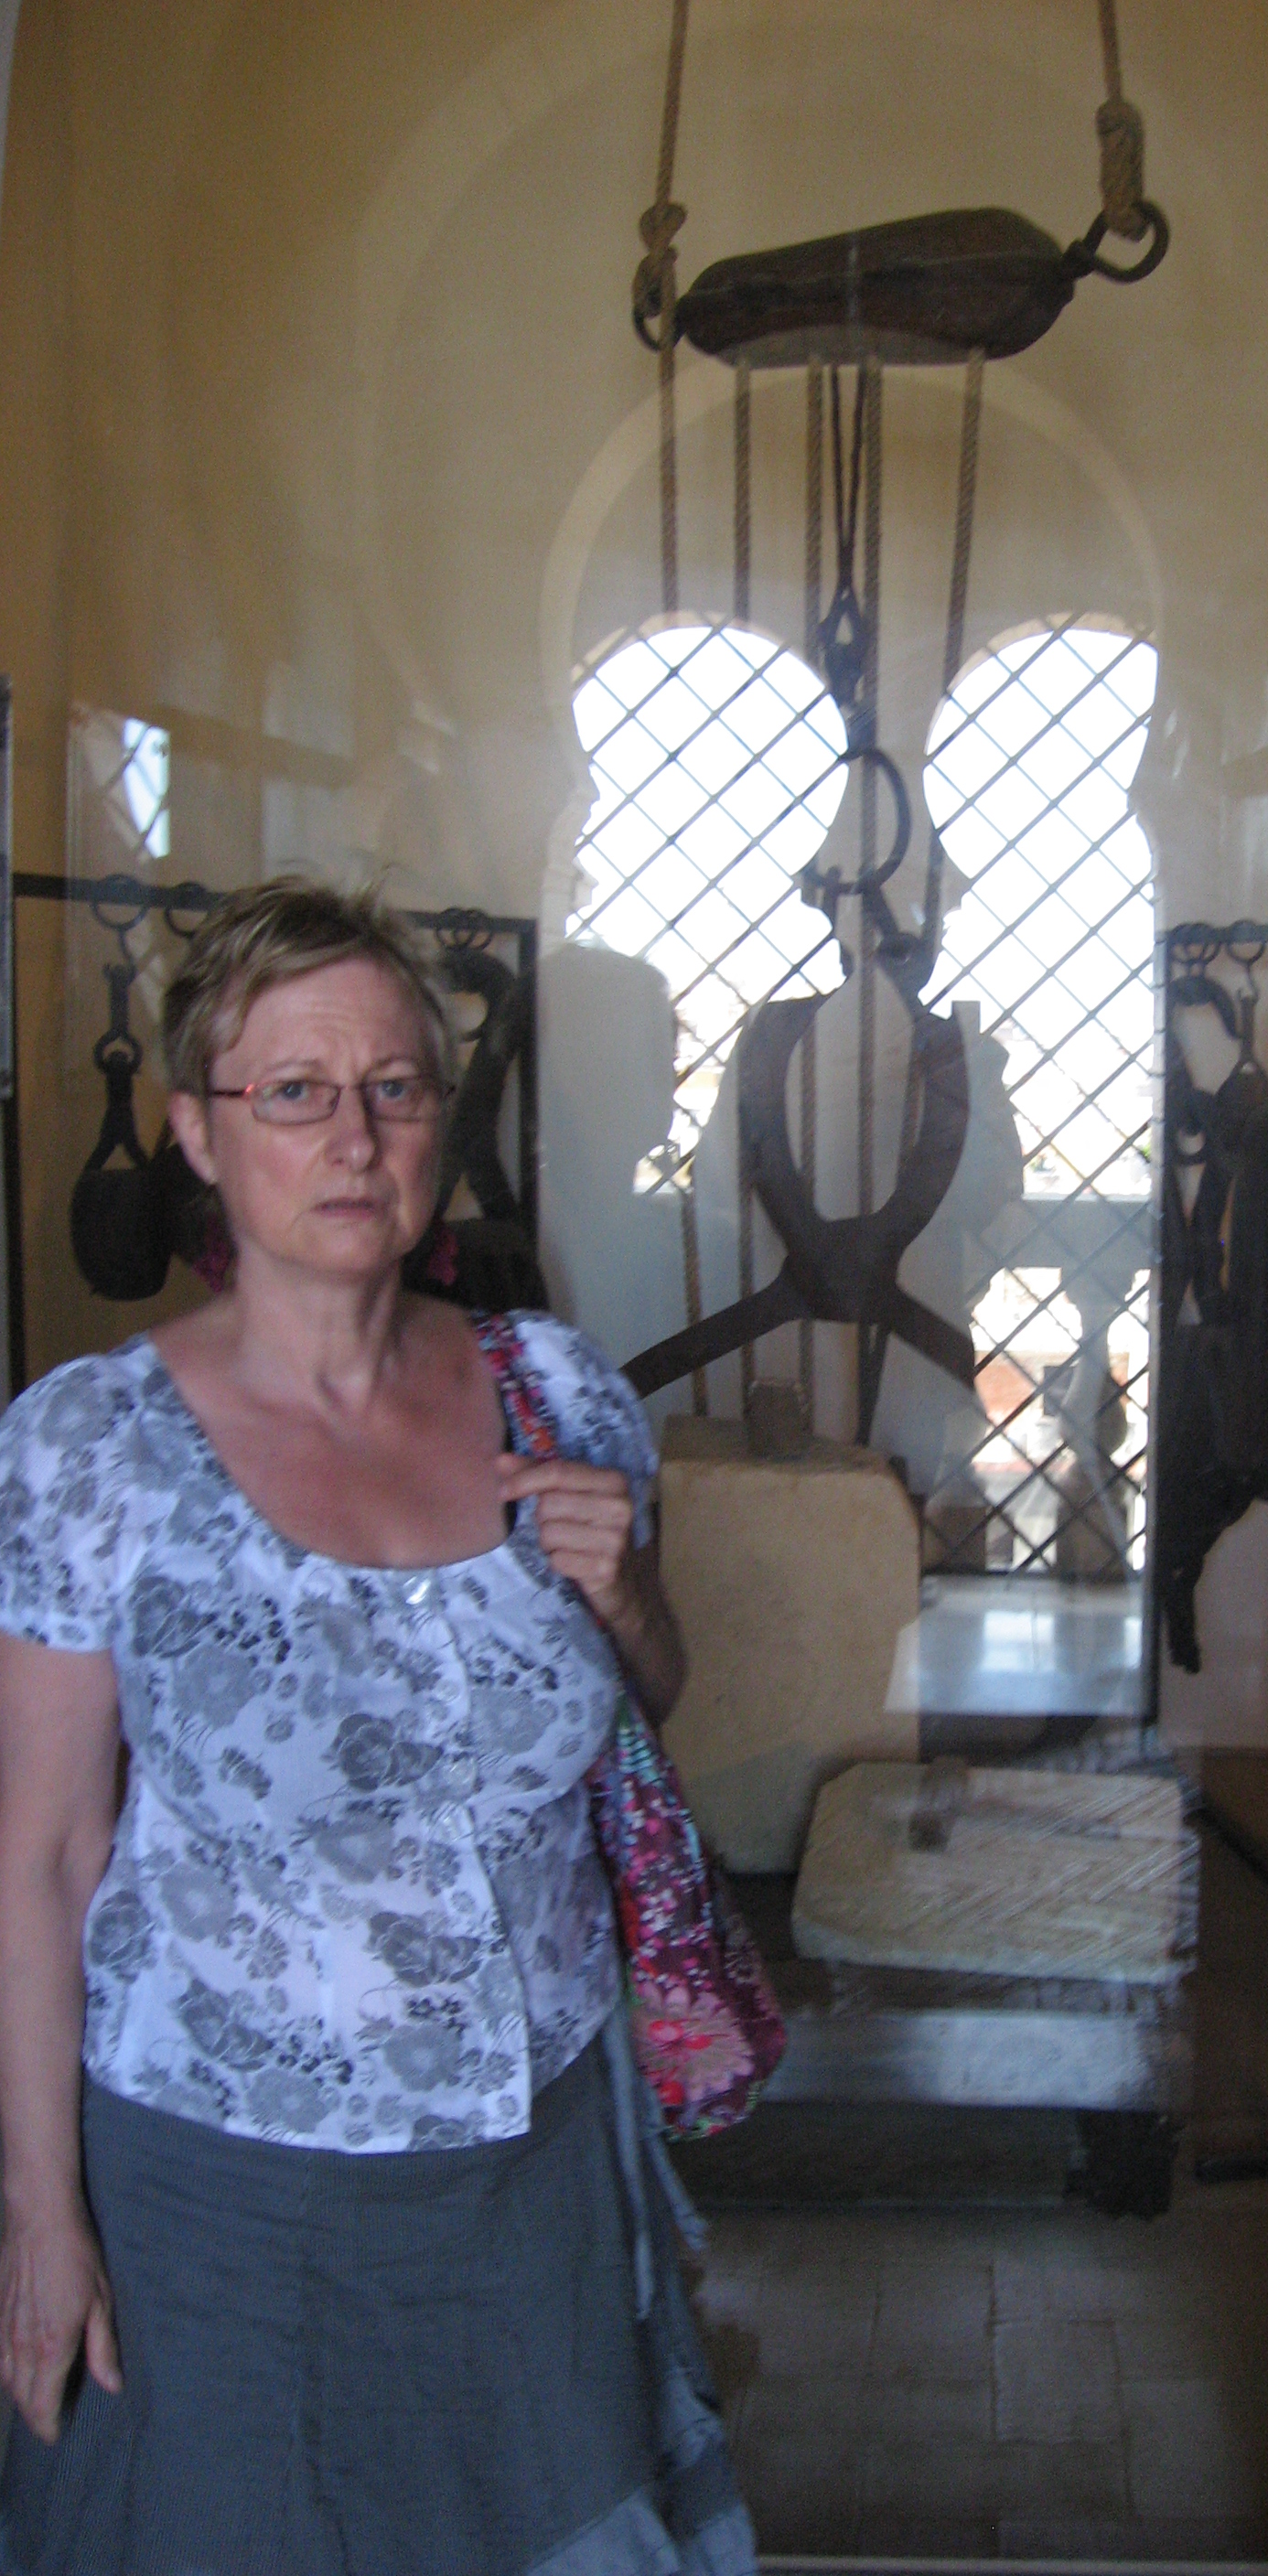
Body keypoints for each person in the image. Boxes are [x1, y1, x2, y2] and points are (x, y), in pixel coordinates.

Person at [0, 880, 754, 2576]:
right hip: (224, 2196)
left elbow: (641, 1706)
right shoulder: (89, 1450)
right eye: (294, 1091)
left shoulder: (561, 1392)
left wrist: (630, 1598)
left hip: (536, 2173)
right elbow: (39, 1856)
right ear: (198, 1131)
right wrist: (39, 2211)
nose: (353, 1138)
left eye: (394, 1088)